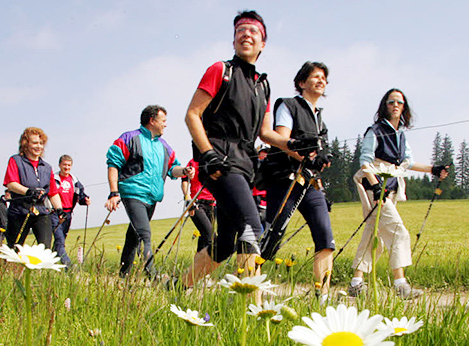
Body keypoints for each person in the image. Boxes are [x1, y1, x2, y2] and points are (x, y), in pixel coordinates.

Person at [179, 10, 283, 288]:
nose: (246, 35)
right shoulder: (220, 70)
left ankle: (177, 288)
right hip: (220, 162)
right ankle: (253, 307)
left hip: (245, 166)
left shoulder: (263, 86)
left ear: (263, 44)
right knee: (252, 227)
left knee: (224, 244)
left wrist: (296, 146)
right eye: (240, 30)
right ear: (234, 39)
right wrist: (208, 154)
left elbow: (266, 133)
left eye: (253, 31)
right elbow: (192, 114)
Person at [347, 88, 449, 299]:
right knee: (398, 231)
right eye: (391, 102)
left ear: (404, 108)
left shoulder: (401, 134)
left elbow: (407, 162)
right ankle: (400, 284)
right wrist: (376, 187)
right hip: (374, 190)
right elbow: (365, 162)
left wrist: (433, 169)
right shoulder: (374, 131)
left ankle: (356, 282)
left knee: (373, 237)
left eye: (399, 103)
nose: (395, 105)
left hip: (390, 189)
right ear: (385, 106)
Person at [260, 61, 335, 303]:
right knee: (273, 235)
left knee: (325, 236)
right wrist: (307, 156)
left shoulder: (320, 119)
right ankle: (248, 289)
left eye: (324, 77)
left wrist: (320, 166)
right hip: (286, 178)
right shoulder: (288, 105)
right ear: (301, 82)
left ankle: (321, 296)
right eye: (315, 76)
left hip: (311, 184)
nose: (321, 80)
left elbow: (318, 157)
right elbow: (282, 140)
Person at [105, 105, 194, 278]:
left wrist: (184, 170)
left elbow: (173, 168)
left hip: (152, 197)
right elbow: (113, 164)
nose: (166, 125)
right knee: (144, 234)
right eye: (163, 121)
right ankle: (153, 276)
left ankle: (123, 277)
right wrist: (114, 192)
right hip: (132, 193)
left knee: (134, 237)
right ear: (152, 120)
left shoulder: (164, 146)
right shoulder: (130, 138)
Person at [3, 127, 62, 249]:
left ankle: (41, 268)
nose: (39, 146)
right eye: (35, 143)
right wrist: (28, 191)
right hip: (20, 210)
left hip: (40, 211)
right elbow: (11, 183)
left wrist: (60, 209)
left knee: (45, 249)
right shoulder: (16, 160)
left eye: (41, 143)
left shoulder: (46, 167)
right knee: (14, 248)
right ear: (26, 144)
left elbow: (53, 192)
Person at [51, 155, 91, 266]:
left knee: (60, 240)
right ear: (59, 165)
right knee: (59, 240)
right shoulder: (53, 179)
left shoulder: (74, 180)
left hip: (68, 214)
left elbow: (80, 195)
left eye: (69, 165)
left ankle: (52, 265)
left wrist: (85, 200)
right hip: (55, 213)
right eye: (64, 164)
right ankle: (68, 265)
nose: (66, 167)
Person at [181, 158, 216, 254]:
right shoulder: (193, 162)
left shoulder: (215, 160)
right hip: (196, 203)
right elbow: (184, 180)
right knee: (210, 236)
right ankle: (208, 264)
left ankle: (197, 267)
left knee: (204, 238)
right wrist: (188, 198)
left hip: (212, 203)